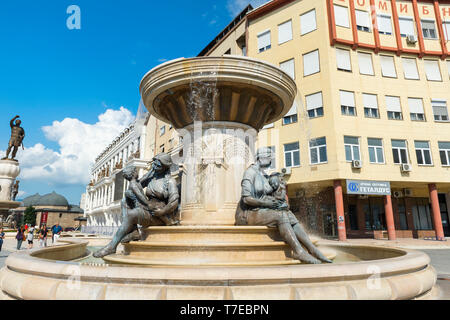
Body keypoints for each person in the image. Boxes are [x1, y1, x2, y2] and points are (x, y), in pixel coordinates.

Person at [235, 147, 332, 264]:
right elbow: (246, 199)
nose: (270, 162)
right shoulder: (249, 173)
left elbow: (268, 196)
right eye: (269, 159)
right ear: (261, 158)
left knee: (289, 214)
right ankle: (298, 251)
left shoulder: (263, 175)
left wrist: (279, 203)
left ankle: (312, 249)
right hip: (247, 214)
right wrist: (266, 203)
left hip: (260, 209)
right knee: (280, 216)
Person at [94, 153, 180, 258]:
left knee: (132, 214)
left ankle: (112, 246)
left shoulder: (170, 181)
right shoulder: (152, 178)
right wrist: (149, 174)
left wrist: (163, 211)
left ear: (165, 166)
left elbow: (174, 201)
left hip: (159, 214)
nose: (155, 167)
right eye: (154, 164)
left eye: (158, 165)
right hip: (149, 208)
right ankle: (134, 231)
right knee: (125, 199)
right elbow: (136, 186)